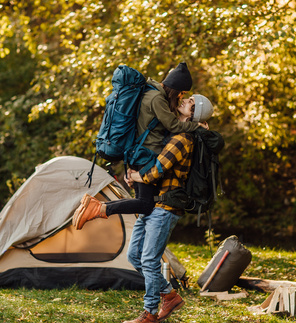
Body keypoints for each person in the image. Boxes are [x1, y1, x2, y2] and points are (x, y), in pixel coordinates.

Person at [72, 63, 208, 229]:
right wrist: (197, 126)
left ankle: (136, 251)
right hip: (146, 155)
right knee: (145, 204)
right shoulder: (157, 98)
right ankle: (99, 207)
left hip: (138, 154)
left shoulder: (149, 91)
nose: (181, 97)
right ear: (175, 89)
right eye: (182, 93)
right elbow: (173, 126)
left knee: (144, 206)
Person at [120, 95, 215, 323]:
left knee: (150, 260)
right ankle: (170, 296)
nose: (185, 100)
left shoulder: (183, 139)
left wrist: (135, 176)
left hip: (166, 208)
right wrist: (135, 177)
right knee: (135, 256)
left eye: (191, 102)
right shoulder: (174, 133)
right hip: (153, 203)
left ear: (194, 114)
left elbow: (158, 170)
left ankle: (150, 313)